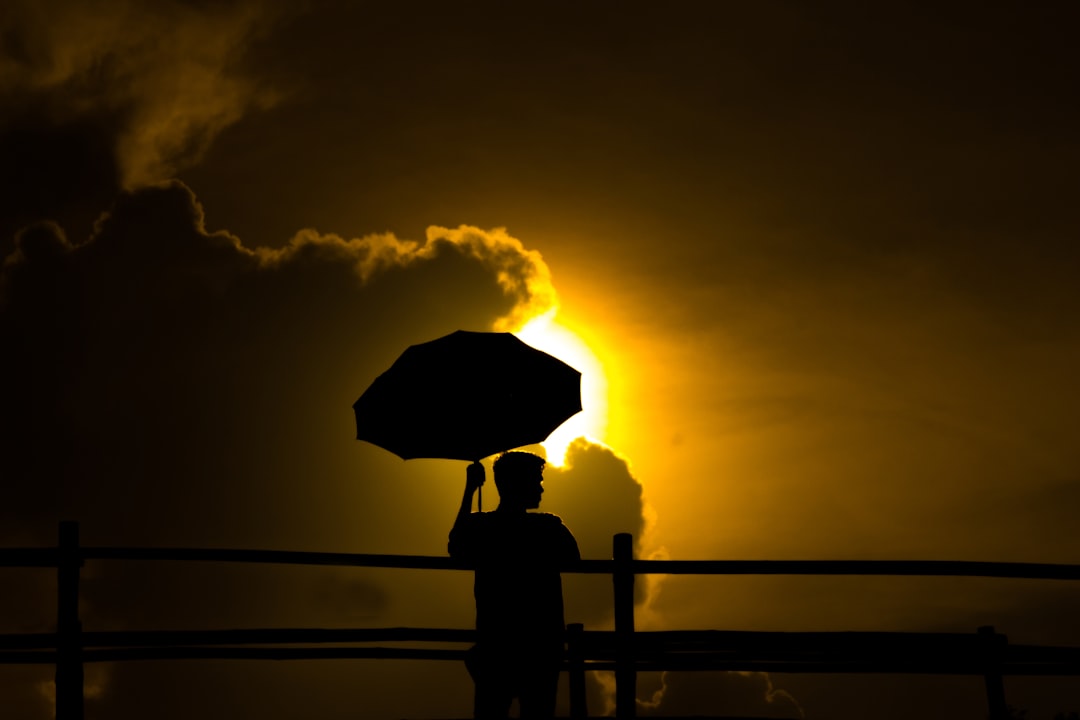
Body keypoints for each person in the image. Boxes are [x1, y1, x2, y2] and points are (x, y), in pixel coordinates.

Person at [449, 451, 580, 719]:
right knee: (538, 714)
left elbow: (456, 547)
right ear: (520, 484)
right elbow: (574, 558)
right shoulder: (548, 527)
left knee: (490, 714)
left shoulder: (482, 526)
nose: (541, 488)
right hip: (541, 645)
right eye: (536, 481)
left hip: (496, 644)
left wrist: (470, 490)